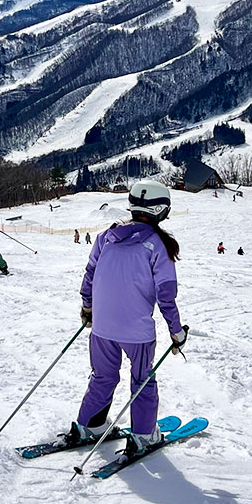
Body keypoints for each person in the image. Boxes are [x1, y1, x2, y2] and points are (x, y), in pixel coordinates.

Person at [68, 179, 186, 457]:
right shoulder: (159, 245)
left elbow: (90, 275)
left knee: (103, 376)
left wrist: (88, 309)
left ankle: (90, 425)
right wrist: (176, 331)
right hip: (137, 331)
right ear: (161, 210)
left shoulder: (106, 237)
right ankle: (143, 435)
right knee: (143, 380)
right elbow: (166, 295)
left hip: (102, 328)